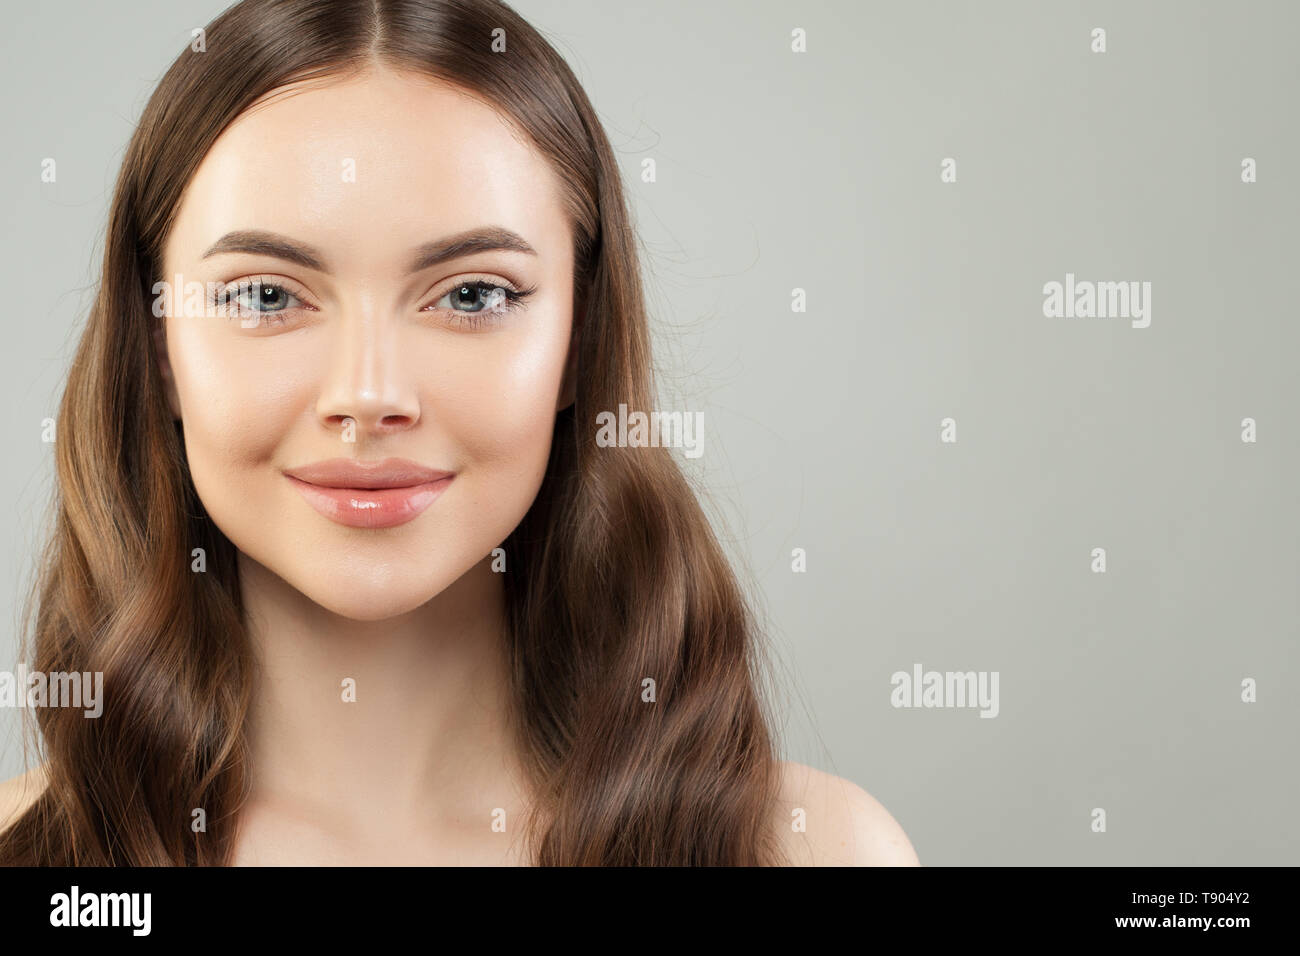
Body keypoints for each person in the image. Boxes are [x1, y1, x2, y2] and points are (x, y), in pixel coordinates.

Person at [0, 0, 917, 866]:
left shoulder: (813, 851)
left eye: (473, 294)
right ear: (159, 344)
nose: (368, 395)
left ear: (579, 336)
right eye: (266, 295)